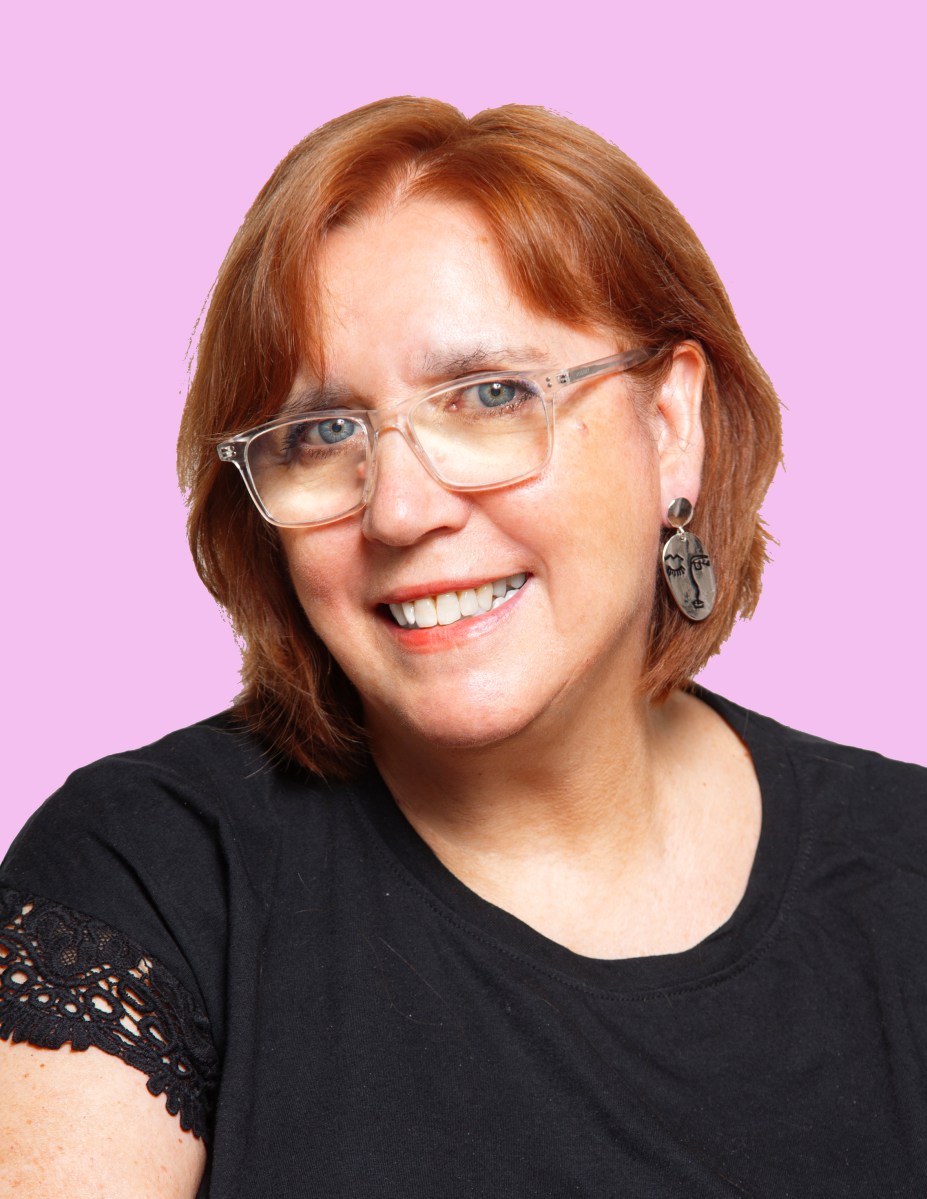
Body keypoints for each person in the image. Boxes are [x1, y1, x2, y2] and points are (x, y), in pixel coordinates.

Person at [1, 97, 924, 1198]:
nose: (398, 509)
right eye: (321, 432)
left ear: (671, 425)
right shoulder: (144, 873)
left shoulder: (904, 874)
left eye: (489, 396)